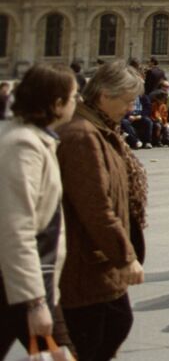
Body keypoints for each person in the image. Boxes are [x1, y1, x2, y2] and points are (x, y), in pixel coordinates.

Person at [57, 61, 147, 361]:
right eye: (127, 100)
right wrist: (125, 255)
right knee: (100, 332)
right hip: (86, 261)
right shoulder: (84, 135)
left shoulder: (100, 129)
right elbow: (95, 205)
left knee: (110, 327)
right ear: (105, 95)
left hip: (96, 259)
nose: (131, 107)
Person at [0, 65, 77, 358]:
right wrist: (36, 302)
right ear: (56, 104)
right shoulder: (23, 146)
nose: (76, 103)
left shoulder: (30, 139)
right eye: (73, 97)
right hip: (18, 285)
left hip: (23, 281)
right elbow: (16, 227)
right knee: (60, 355)